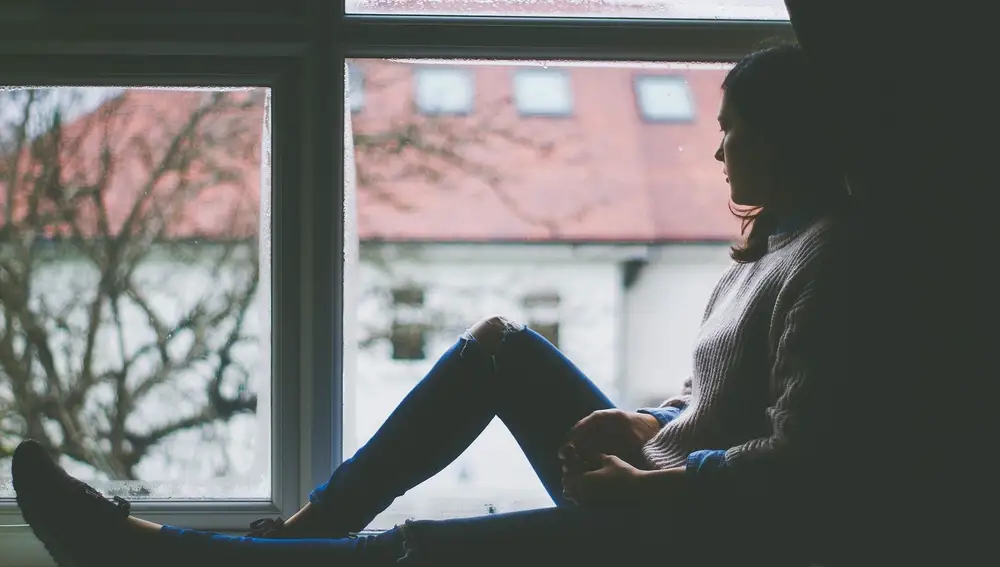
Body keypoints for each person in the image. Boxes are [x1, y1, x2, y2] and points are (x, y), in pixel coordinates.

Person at [11, 41, 853, 567]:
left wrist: (649, 489)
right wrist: (640, 421)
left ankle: (146, 555)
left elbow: (808, 469)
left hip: (692, 538)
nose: (715, 146)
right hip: (658, 495)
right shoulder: (771, 245)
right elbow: (717, 400)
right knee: (499, 344)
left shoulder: (836, 258)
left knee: (422, 551)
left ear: (787, 136)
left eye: (734, 126)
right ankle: (298, 538)